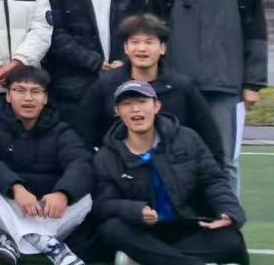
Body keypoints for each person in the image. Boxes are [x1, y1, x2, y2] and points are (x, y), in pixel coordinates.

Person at [148, 0, 267, 191]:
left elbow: (256, 33)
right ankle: (176, 216)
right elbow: (151, 33)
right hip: (176, 87)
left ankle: (228, 217)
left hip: (225, 88)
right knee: (172, 156)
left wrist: (253, 83)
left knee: (225, 159)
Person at [92, 81, 249, 265]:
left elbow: (213, 180)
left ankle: (145, 262)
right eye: (127, 104)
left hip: (186, 225)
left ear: (156, 106)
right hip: (143, 231)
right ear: (117, 111)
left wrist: (228, 210)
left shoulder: (187, 138)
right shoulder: (107, 155)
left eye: (142, 101)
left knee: (232, 243)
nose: (136, 109)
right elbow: (104, 204)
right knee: (111, 230)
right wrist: (135, 210)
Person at [0, 65, 94, 265]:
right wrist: (16, 188)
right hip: (9, 205)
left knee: (85, 197)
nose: (28, 98)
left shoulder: (62, 129)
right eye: (20, 90)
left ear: (45, 98)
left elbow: (81, 161)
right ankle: (49, 245)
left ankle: (20, 240)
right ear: (8, 95)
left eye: (36, 91)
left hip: (46, 209)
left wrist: (63, 193)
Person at [73, 14, 225, 165]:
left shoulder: (182, 87)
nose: (141, 48)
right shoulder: (106, 84)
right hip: (118, 168)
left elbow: (210, 138)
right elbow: (83, 133)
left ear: (162, 48)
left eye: (149, 42)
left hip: (174, 168)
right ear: (126, 48)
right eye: (135, 42)